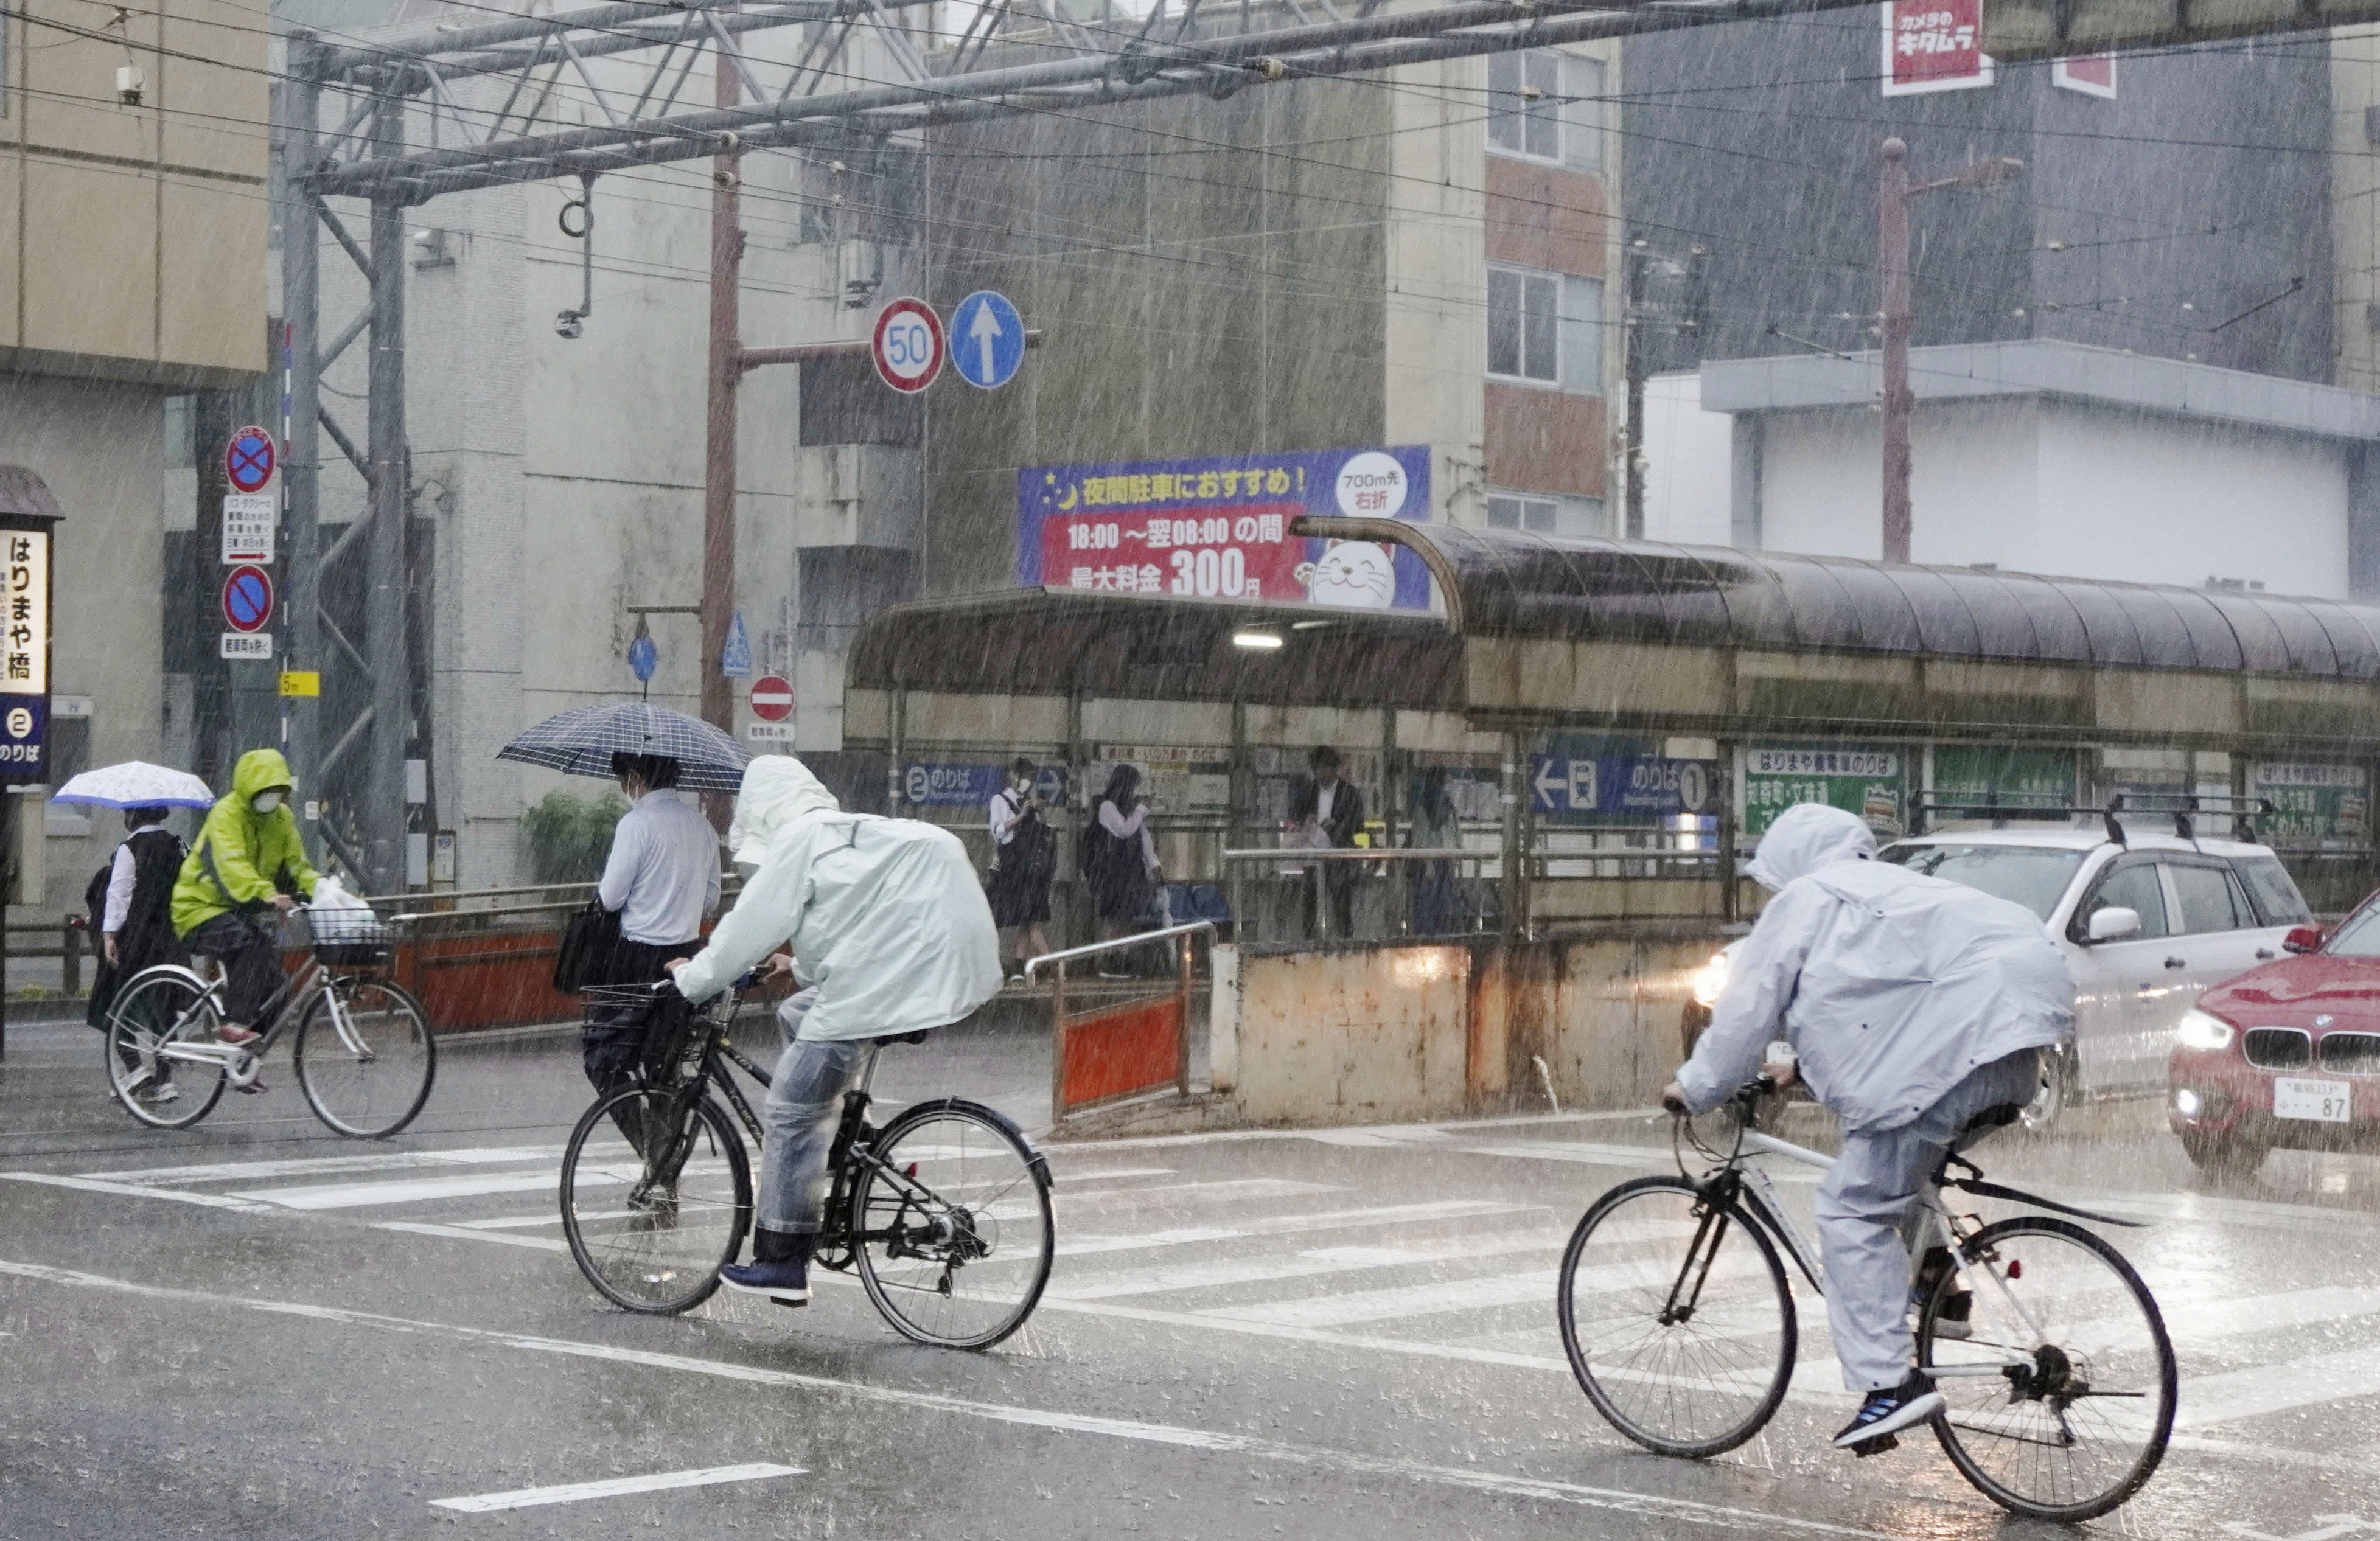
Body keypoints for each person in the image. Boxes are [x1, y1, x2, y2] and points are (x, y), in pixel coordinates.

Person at [1663, 802, 2074, 1453]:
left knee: (1850, 1209)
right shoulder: (1899, 889)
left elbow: (1745, 1012)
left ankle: (1888, 1386)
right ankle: (1940, 1285)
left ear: (1792, 862)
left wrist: (1693, 1088)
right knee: (1900, 1171)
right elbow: (1883, 994)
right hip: (2014, 1048)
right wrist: (1794, 1068)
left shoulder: (1806, 898)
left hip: (1952, 1052)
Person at [666, 756, 1000, 1305]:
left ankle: (783, 1260)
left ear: (762, 809)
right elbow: (860, 922)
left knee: (791, 1110)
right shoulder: (843, 834)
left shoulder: (799, 839)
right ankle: (852, 1137)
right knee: (797, 1013)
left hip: (890, 977)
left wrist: (693, 980)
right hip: (927, 959)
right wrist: (796, 968)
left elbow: (748, 924)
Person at [581, 752, 721, 1133]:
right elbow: (710, 901)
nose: (624, 789)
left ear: (636, 777)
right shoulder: (702, 828)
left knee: (603, 1058)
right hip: (688, 960)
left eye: (623, 780)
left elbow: (610, 898)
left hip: (636, 962)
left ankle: (648, 1145)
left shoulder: (636, 824)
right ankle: (666, 1151)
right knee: (665, 1063)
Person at [171, 749, 320, 1066]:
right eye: (264, 791)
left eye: (276, 791)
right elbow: (231, 865)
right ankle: (234, 1026)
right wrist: (266, 893)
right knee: (249, 946)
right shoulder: (226, 814)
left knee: (278, 989)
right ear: (249, 789)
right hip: (199, 907)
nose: (271, 798)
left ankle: (244, 1060)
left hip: (237, 910)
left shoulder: (282, 820)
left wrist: (320, 889)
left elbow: (296, 865)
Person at [88, 804, 188, 1104]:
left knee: (118, 1004)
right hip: (171, 939)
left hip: (138, 939)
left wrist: (108, 935)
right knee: (165, 1010)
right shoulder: (179, 846)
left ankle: (135, 1070)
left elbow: (118, 894)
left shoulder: (129, 849)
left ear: (134, 816)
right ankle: (164, 1081)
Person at [1082, 764, 1160, 974]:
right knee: (1114, 919)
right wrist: (1141, 811)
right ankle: (1107, 959)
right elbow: (1125, 831)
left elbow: (1144, 839)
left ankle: (1122, 959)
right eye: (1134, 785)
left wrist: (1153, 865)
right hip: (1113, 874)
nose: (1136, 791)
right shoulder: (1107, 807)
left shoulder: (1130, 810)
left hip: (1130, 874)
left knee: (1126, 919)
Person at [986, 757, 1055, 981]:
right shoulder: (1000, 800)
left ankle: (1018, 968)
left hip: (1031, 871)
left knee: (1028, 919)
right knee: (1027, 919)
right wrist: (1022, 815)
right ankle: (1050, 967)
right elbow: (998, 831)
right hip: (1013, 870)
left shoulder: (1028, 801)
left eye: (1030, 778)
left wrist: (1039, 812)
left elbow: (1040, 833)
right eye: (1024, 776)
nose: (1027, 782)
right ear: (1013, 776)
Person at [1286, 745, 1366, 938]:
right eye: (1318, 770)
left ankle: (1345, 941)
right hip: (1313, 855)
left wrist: (1338, 826)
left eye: (1326, 769)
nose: (1322, 774)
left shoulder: (1350, 793)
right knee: (1310, 903)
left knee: (1341, 904)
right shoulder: (1308, 791)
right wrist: (1306, 821)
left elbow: (1358, 824)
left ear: (1334, 769)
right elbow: (1295, 817)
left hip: (1339, 856)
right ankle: (1310, 940)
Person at [1405, 767, 1462, 936]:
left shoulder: (1434, 806)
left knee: (1434, 904)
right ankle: (1434, 936)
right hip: (1433, 862)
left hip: (1438, 861)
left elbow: (1420, 837)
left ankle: (1432, 936)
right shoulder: (1436, 807)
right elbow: (1452, 834)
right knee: (1434, 904)